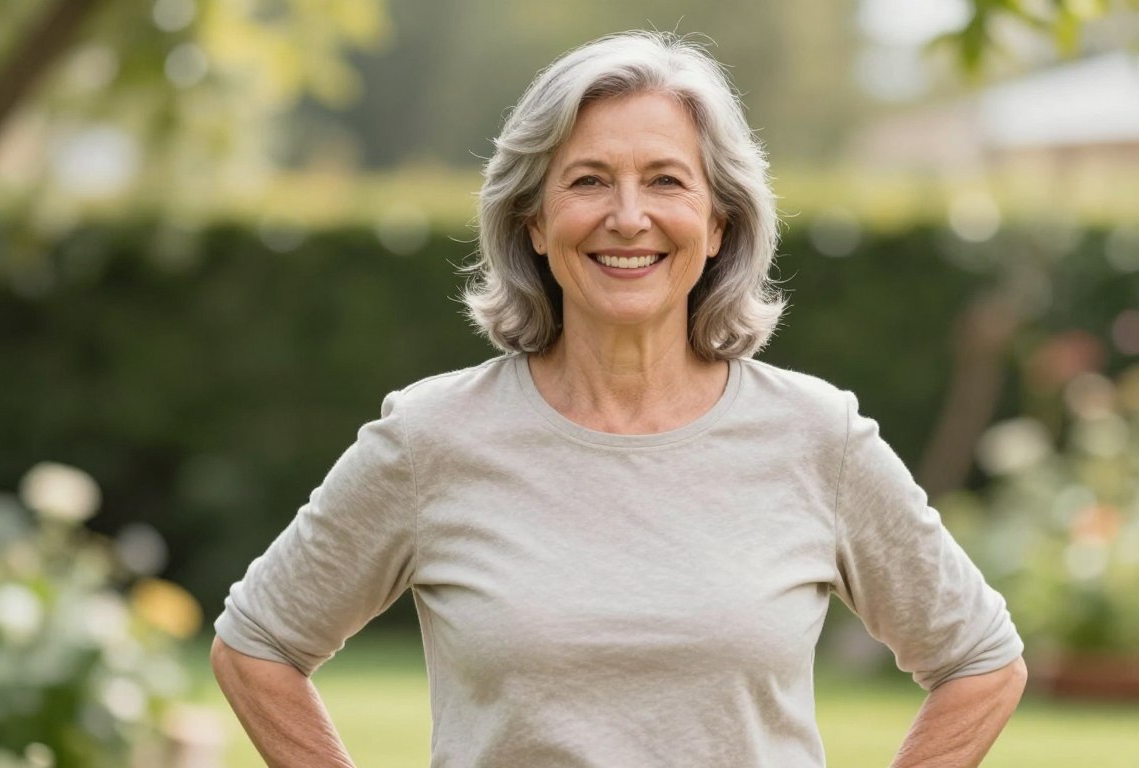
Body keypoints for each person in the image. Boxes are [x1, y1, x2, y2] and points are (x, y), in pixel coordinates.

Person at [211, 30, 1027, 767]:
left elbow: (981, 662)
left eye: (666, 180)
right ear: (534, 221)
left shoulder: (819, 436)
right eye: (589, 181)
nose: (628, 217)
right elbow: (256, 645)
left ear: (718, 222)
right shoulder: (431, 438)